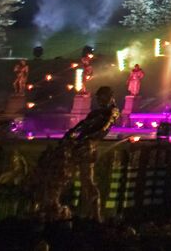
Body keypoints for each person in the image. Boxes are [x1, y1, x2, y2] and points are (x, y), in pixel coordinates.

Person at [29, 86, 120, 221]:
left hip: (87, 147)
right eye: (98, 97)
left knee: (86, 180)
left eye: (101, 97)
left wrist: (85, 138)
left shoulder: (112, 112)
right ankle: (53, 206)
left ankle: (95, 214)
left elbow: (103, 128)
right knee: (61, 175)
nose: (99, 100)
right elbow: (81, 125)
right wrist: (71, 134)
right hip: (77, 145)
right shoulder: (96, 112)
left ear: (109, 97)